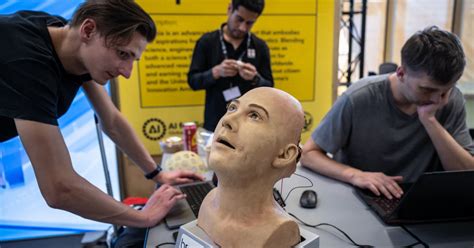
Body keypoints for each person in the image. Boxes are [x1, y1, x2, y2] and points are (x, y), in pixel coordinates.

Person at [0, 0, 203, 228]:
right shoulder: (28, 62)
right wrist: (143, 217)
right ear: (88, 30)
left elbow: (113, 121)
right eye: (122, 53)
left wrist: (157, 174)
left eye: (132, 59)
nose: (126, 72)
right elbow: (59, 187)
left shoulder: (65, 38)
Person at [301, 26, 474, 200]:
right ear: (401, 73)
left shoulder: (452, 100)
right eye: (427, 90)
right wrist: (356, 175)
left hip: (421, 200)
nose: (437, 100)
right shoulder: (358, 98)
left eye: (445, 91)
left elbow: (466, 174)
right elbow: (309, 154)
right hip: (360, 196)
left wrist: (430, 121)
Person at [198, 87, 304, 247]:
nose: (227, 121)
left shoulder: (277, 231)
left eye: (255, 115)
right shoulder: (207, 204)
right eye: (232, 108)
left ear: (284, 155)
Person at [187, 0, 273, 132]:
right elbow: (193, 81)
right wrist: (215, 72)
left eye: (250, 23)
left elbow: (270, 86)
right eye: (239, 19)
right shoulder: (207, 42)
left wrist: (255, 78)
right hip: (215, 123)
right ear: (229, 9)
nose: (242, 27)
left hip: (249, 125)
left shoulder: (260, 46)